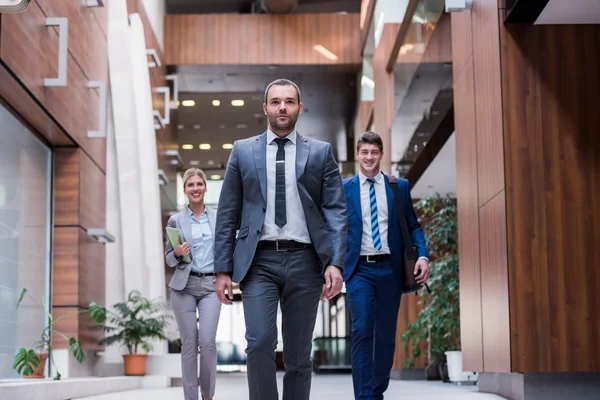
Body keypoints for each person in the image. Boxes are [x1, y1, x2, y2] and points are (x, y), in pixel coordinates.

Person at [213, 78, 348, 400]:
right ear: (265, 108)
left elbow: (336, 211)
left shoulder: (320, 153)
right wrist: (221, 269)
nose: (282, 107)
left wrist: (336, 264)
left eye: (289, 101)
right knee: (259, 342)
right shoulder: (243, 151)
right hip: (258, 261)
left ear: (300, 108)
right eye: (275, 102)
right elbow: (227, 211)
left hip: (306, 261)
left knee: (299, 353)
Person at [343, 131, 430, 400]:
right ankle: (364, 396)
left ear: (381, 155)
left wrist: (423, 256)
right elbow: (333, 229)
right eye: (364, 152)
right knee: (362, 330)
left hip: (390, 271)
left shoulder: (398, 187)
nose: (369, 157)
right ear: (358, 155)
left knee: (385, 335)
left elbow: (413, 226)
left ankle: (377, 391)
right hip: (359, 270)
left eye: (374, 152)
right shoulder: (343, 188)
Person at [165, 168, 221, 400]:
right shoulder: (176, 219)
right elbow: (168, 260)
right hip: (183, 287)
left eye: (199, 184)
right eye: (191, 185)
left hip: (211, 285)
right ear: (185, 190)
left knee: (207, 342)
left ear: (205, 188)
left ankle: (207, 395)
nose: (195, 188)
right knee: (189, 345)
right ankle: (191, 398)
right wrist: (177, 253)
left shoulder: (218, 217)